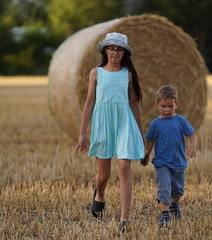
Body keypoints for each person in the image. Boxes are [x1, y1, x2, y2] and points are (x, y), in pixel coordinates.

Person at [75, 32, 144, 232]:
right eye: (112, 48)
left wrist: (139, 134)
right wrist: (82, 134)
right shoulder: (96, 73)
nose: (115, 52)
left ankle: (124, 218)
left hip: (124, 123)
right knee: (103, 175)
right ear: (105, 50)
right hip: (103, 124)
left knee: (123, 167)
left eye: (119, 49)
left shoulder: (128, 74)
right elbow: (89, 103)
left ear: (124, 53)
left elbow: (134, 104)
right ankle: (100, 194)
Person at [141, 85, 197, 228]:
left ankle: (174, 205)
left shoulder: (181, 121)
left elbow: (192, 135)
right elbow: (150, 140)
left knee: (178, 190)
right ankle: (165, 214)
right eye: (163, 106)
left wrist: (192, 146)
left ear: (176, 105)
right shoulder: (155, 123)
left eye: (170, 106)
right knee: (164, 186)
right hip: (161, 162)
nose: (167, 109)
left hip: (178, 162)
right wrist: (146, 154)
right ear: (157, 105)